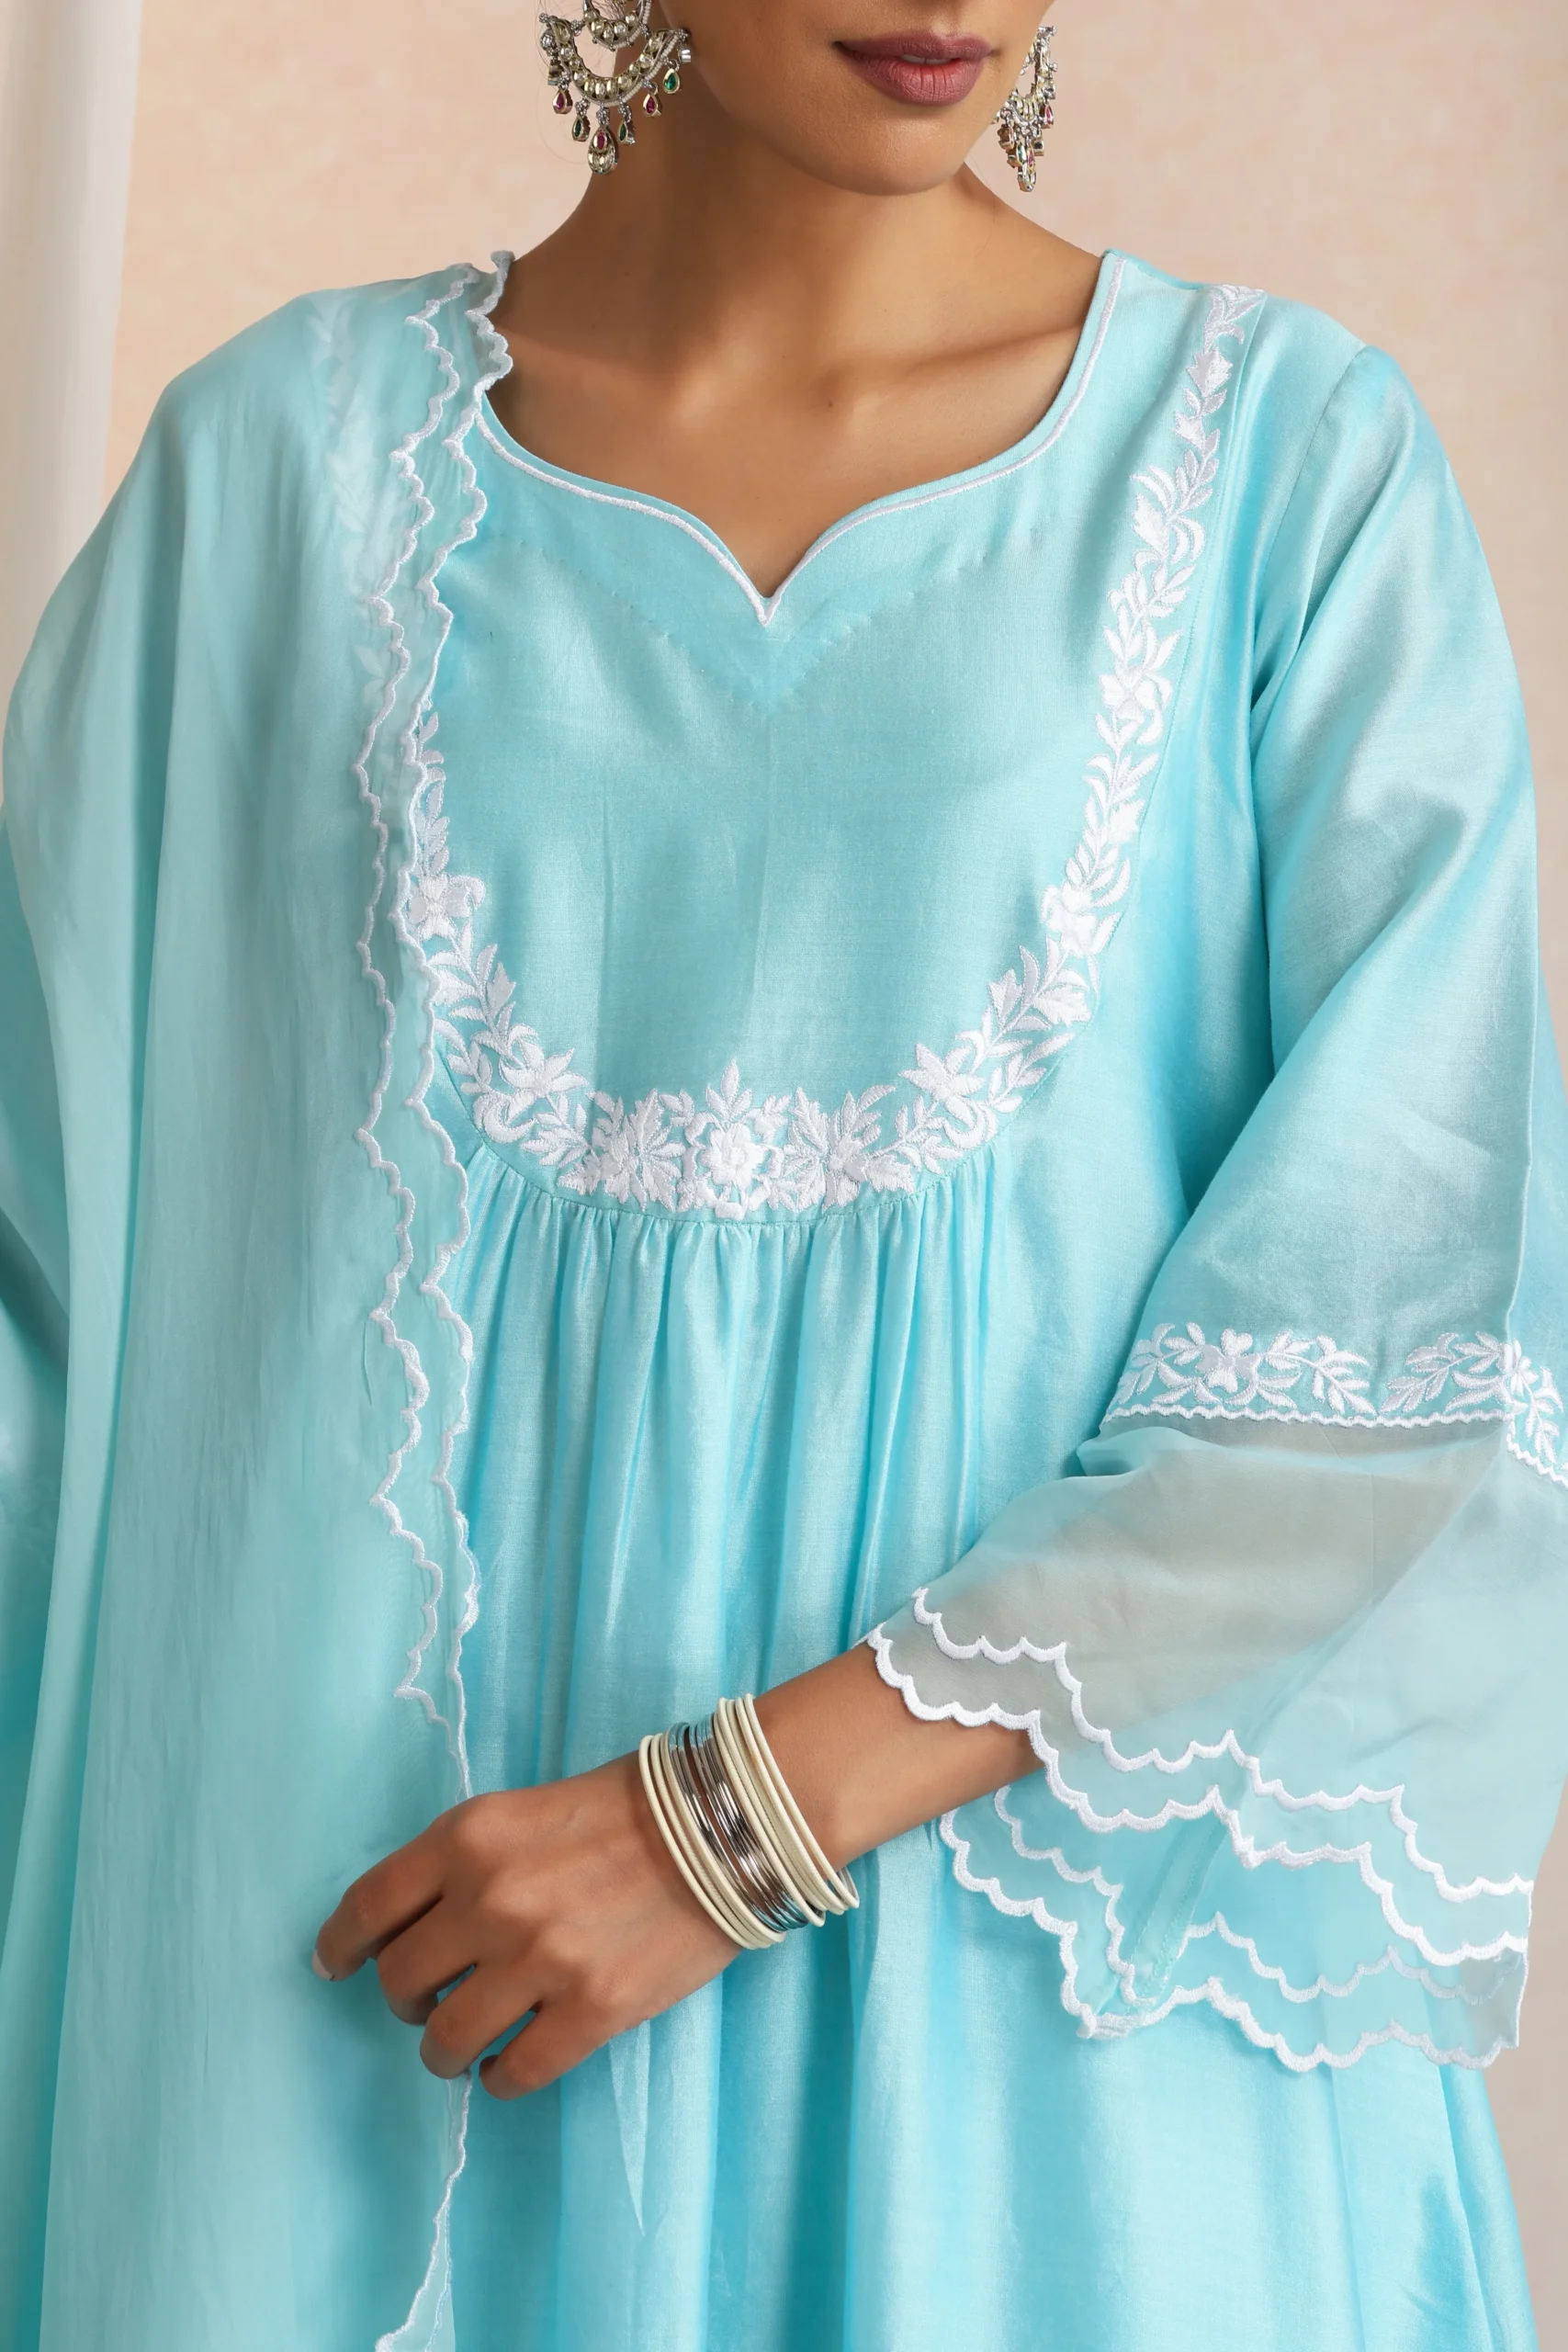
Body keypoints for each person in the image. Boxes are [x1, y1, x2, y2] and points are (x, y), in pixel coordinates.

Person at [2, 4, 1564, 2346]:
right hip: (364, 2017)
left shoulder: (1286, 477)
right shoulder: (276, 483)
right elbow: (52, 1322)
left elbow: (1402, 1343)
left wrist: (720, 1824)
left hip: (1040, 2093)